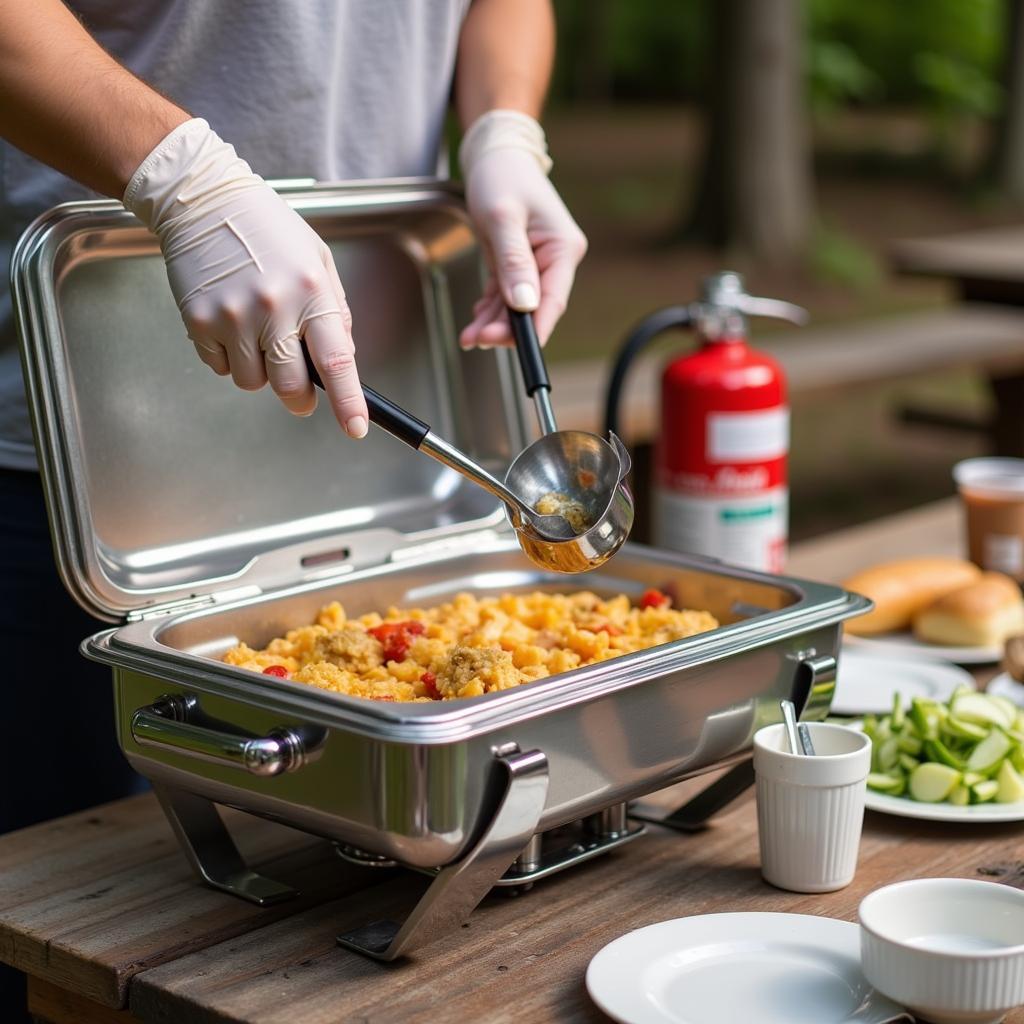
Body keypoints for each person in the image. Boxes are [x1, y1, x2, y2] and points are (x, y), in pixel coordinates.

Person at [0, 0, 585, 1016]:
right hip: (81, 447)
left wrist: (503, 129)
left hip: (375, 433)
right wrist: (182, 175)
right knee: (74, 948)